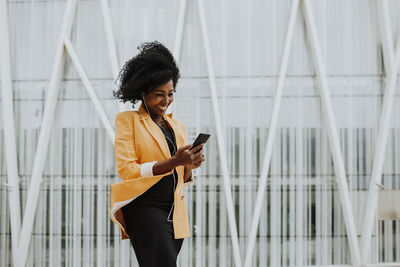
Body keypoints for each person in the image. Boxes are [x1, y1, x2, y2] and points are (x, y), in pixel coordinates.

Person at [109, 41, 205, 267]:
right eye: (159, 94)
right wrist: (174, 161)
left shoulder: (176, 126)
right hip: (145, 208)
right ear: (143, 93)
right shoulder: (128, 121)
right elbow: (128, 170)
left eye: (170, 94)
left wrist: (189, 165)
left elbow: (180, 174)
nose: (166, 101)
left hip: (175, 214)